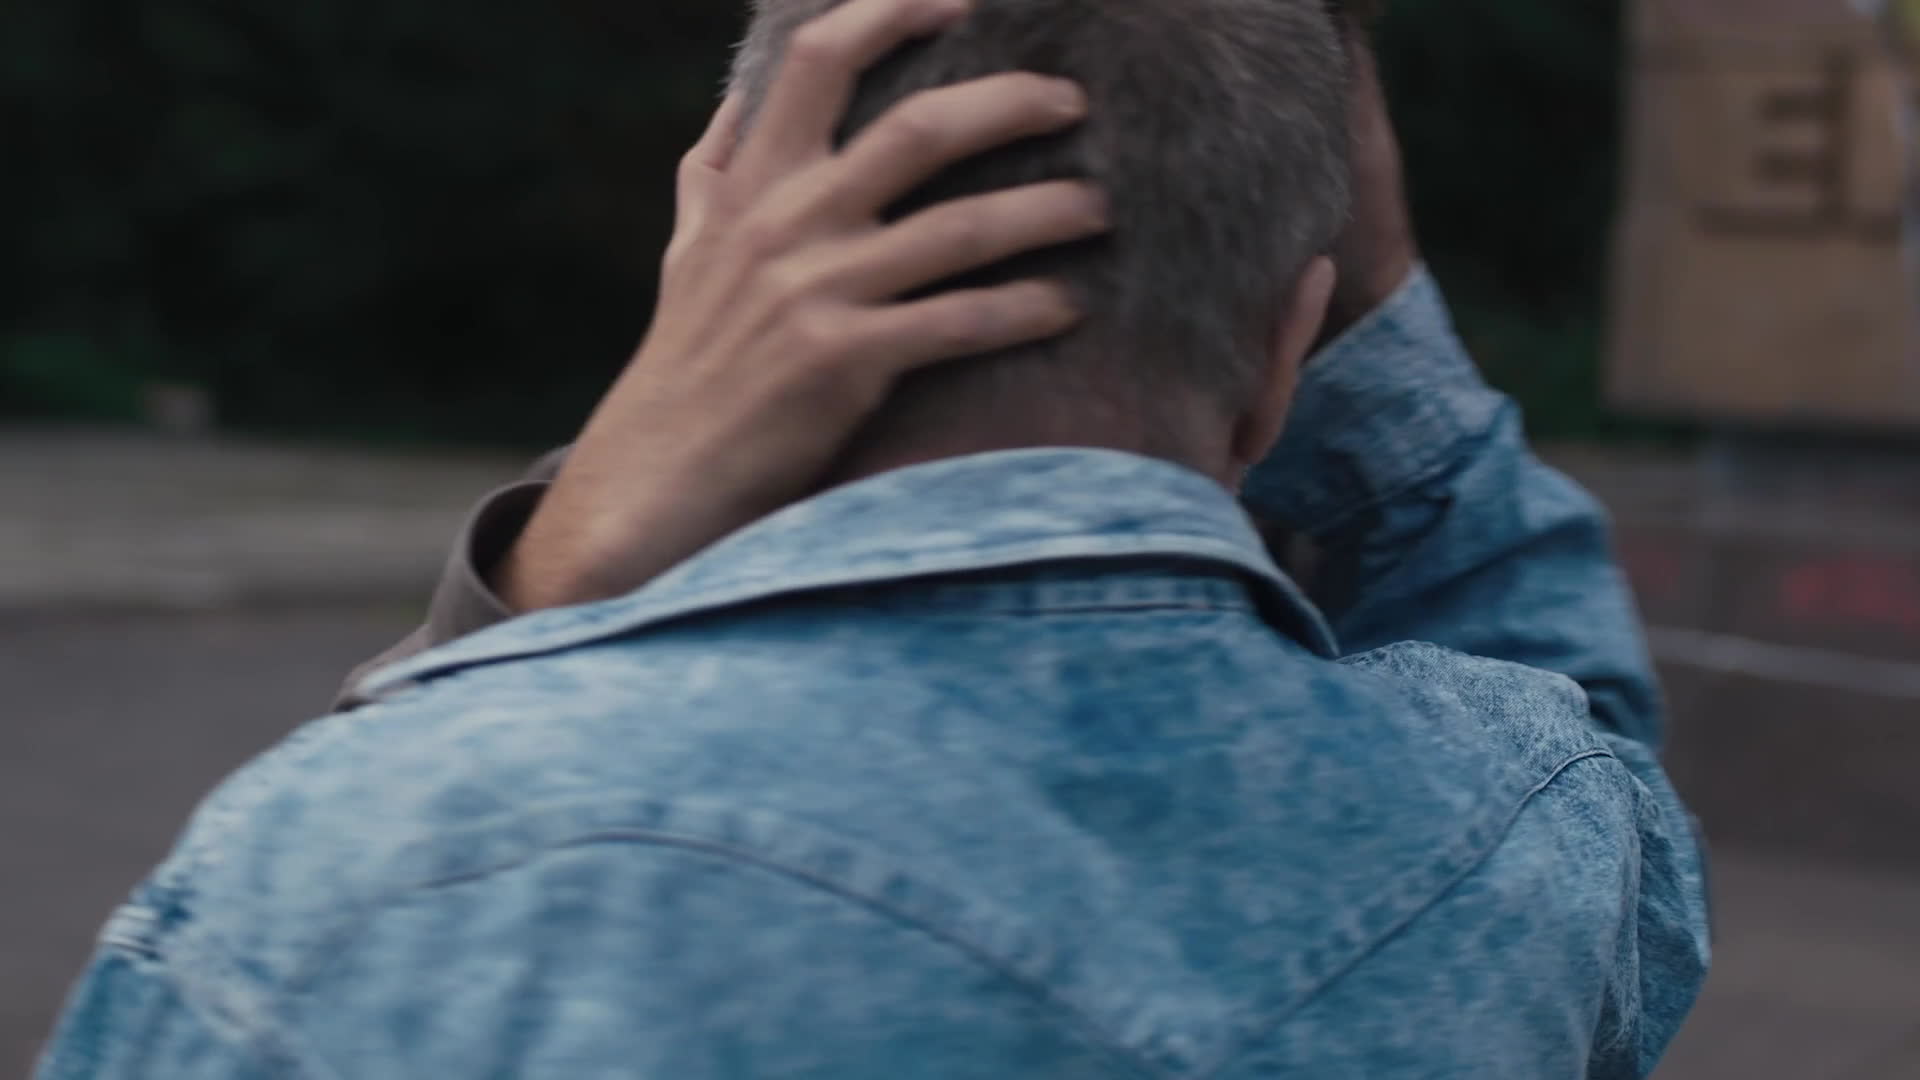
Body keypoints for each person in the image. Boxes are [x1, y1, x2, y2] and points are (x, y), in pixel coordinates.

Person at [39, 0, 1711, 1077]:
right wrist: (1384, 318)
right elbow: (1591, 763)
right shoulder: (1527, 836)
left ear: (713, 263)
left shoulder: (338, 873)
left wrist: (551, 569)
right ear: (1289, 352)